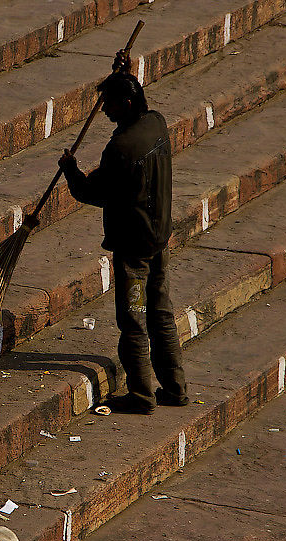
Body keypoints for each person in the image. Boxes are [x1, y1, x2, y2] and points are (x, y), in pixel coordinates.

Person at [57, 51, 188, 414]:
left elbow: (90, 192)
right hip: (159, 236)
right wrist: (126, 72)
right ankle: (175, 389)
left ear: (126, 103)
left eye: (110, 104)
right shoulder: (156, 123)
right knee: (160, 313)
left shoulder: (121, 149)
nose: (104, 111)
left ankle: (142, 396)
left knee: (134, 318)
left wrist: (70, 169)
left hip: (134, 248)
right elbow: (140, 103)